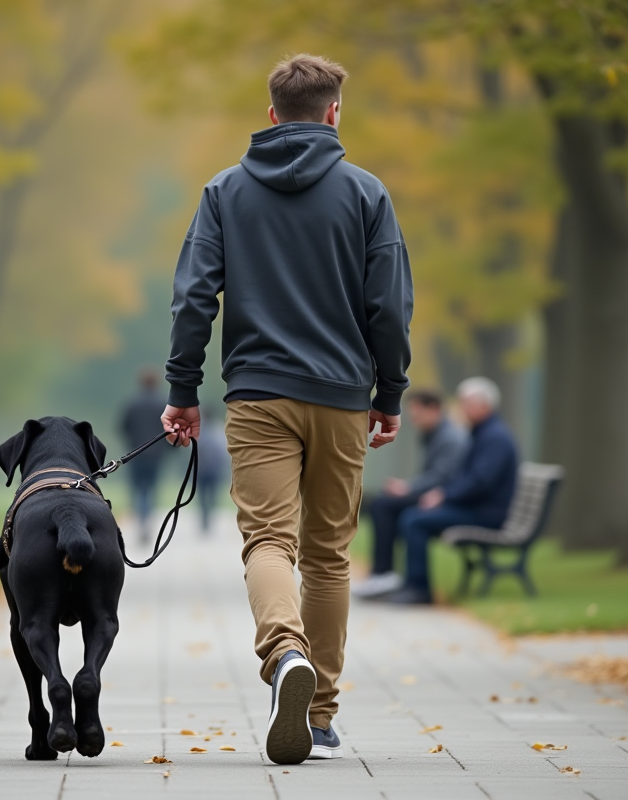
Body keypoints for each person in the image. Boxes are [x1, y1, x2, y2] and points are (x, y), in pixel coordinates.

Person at [160, 54, 412, 765]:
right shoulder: (367, 194)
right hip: (339, 398)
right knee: (328, 557)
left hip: (258, 396)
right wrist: (388, 394)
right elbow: (388, 307)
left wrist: (183, 391)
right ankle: (322, 717)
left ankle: (283, 653)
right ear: (334, 112)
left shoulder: (224, 192)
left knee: (268, 541)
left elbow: (192, 298)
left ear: (272, 114)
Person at [385, 377, 519, 606]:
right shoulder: (483, 433)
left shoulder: (494, 437)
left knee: (414, 519)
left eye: (466, 403)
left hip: (487, 513)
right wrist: (444, 494)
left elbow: (480, 482)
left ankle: (419, 589)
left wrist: (444, 495)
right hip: (477, 507)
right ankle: (410, 584)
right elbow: (470, 478)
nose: (461, 408)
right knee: (413, 514)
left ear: (484, 405)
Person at [351, 389, 467, 599]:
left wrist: (409, 488)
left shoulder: (449, 437)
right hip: (438, 495)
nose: (414, 420)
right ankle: (384, 574)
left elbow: (442, 475)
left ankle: (385, 574)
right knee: (382, 503)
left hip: (444, 498)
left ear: (433, 409)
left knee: (386, 506)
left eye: (417, 415)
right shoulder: (437, 434)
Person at [119, 368, 168, 541]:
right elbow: (168, 429)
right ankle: (147, 521)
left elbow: (123, 427)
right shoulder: (163, 403)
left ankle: (141, 521)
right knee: (150, 488)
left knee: (138, 488)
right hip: (156, 454)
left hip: (135, 453)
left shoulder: (132, 403)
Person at [195, 407, 230, 534]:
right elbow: (223, 450)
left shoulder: (199, 430)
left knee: (203, 495)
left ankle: (205, 517)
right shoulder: (218, 430)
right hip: (214, 469)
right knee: (211, 495)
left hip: (201, 469)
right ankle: (207, 517)